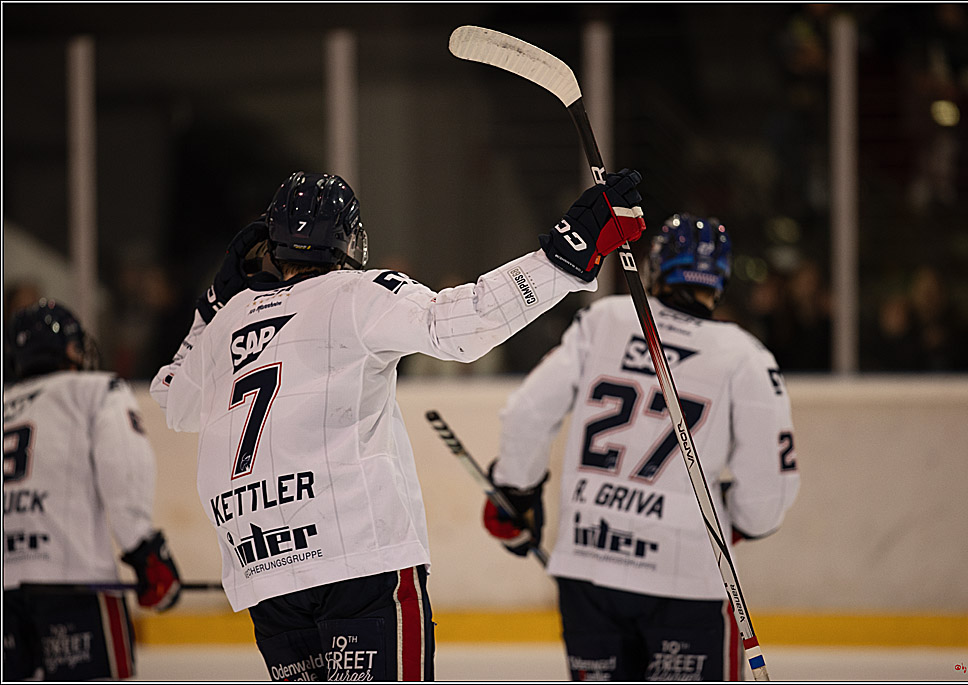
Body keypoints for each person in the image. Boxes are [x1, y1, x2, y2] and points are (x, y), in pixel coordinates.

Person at [148, 169, 646, 681]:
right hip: (354, 556)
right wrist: (563, 259)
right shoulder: (357, 293)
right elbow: (462, 325)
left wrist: (212, 306)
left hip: (262, 566)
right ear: (350, 237)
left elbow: (173, 401)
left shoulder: (229, 320)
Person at [482, 213, 801, 681]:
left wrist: (516, 494)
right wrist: (742, 522)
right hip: (685, 577)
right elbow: (768, 489)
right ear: (722, 278)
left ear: (656, 267)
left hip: (588, 570)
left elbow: (528, 412)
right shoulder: (745, 357)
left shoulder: (604, 320)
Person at [3, 299, 182, 681]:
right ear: (68, 348)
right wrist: (144, 551)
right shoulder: (94, 390)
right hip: (76, 585)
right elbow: (123, 468)